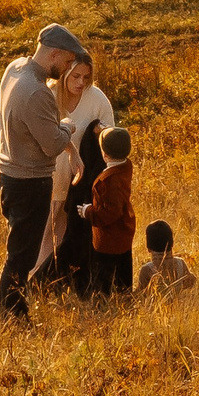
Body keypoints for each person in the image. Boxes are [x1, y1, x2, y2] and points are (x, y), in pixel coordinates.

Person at [0, 23, 89, 321]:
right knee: (22, 256)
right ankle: (10, 318)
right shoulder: (37, 93)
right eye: (68, 62)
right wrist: (68, 126)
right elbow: (52, 145)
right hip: (29, 182)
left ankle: (12, 312)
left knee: (19, 250)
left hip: (8, 173)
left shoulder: (15, 68)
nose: (69, 68)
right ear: (55, 55)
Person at [35, 55, 114, 295]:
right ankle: (37, 283)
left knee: (71, 231)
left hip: (81, 181)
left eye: (86, 77)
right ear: (65, 73)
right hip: (48, 177)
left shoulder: (97, 99)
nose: (81, 82)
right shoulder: (47, 95)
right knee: (45, 230)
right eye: (76, 76)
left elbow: (110, 137)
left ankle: (65, 283)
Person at [80, 125, 136, 297]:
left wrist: (88, 211)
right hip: (124, 232)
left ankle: (102, 300)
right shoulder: (126, 166)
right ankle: (125, 295)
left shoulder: (108, 181)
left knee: (104, 274)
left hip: (108, 238)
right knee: (123, 268)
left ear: (104, 154)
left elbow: (109, 213)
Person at [137, 219, 196, 300]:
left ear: (148, 248)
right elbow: (191, 282)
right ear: (172, 243)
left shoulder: (147, 270)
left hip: (157, 311)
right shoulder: (180, 263)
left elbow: (141, 296)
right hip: (178, 308)